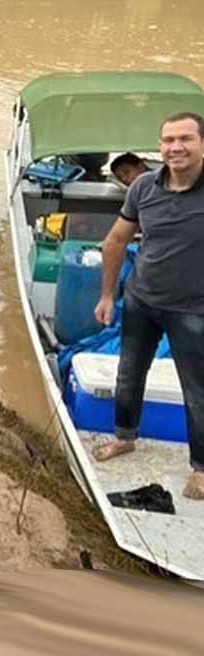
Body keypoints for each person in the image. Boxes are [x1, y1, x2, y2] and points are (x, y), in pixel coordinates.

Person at [92, 112, 204, 500]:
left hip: (194, 309)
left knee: (198, 391)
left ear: (202, 143)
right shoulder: (143, 187)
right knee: (129, 374)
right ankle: (124, 437)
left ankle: (201, 468)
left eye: (186, 139)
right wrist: (108, 296)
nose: (176, 147)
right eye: (168, 140)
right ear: (159, 146)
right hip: (141, 300)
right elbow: (115, 242)